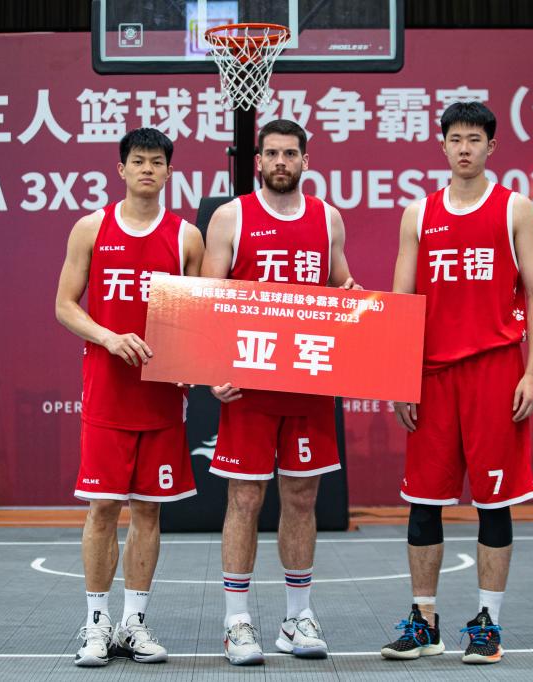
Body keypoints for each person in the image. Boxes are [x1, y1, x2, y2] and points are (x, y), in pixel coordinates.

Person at [381, 101, 533, 665]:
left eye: (474, 139)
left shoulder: (514, 208)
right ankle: (423, 622)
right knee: (423, 501)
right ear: (443, 145)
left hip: (495, 371)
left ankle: (487, 624)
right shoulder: (418, 213)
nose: (464, 148)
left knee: (493, 502)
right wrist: (399, 375)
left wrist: (532, 370)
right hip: (432, 376)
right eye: (455, 139)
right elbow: (402, 300)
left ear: (490, 146)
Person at [200, 118, 359, 665]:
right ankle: (237, 622)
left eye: (290, 154)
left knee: (302, 497)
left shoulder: (327, 218)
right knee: (245, 499)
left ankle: (298, 616)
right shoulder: (231, 217)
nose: (281, 162)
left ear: (305, 161)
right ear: (259, 161)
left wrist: (353, 295)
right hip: (250, 385)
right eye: (272, 154)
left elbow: (341, 285)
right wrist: (213, 368)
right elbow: (207, 301)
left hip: (308, 381)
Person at [54, 128, 204, 667]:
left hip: (161, 398)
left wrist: (194, 365)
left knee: (148, 512)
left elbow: (199, 316)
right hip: (107, 393)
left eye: (157, 162)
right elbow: (65, 305)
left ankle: (134, 622)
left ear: (169, 171)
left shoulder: (186, 237)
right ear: (121, 169)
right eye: (138, 161)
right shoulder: (92, 227)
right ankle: (96, 625)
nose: (147, 169)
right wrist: (108, 337)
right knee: (102, 508)